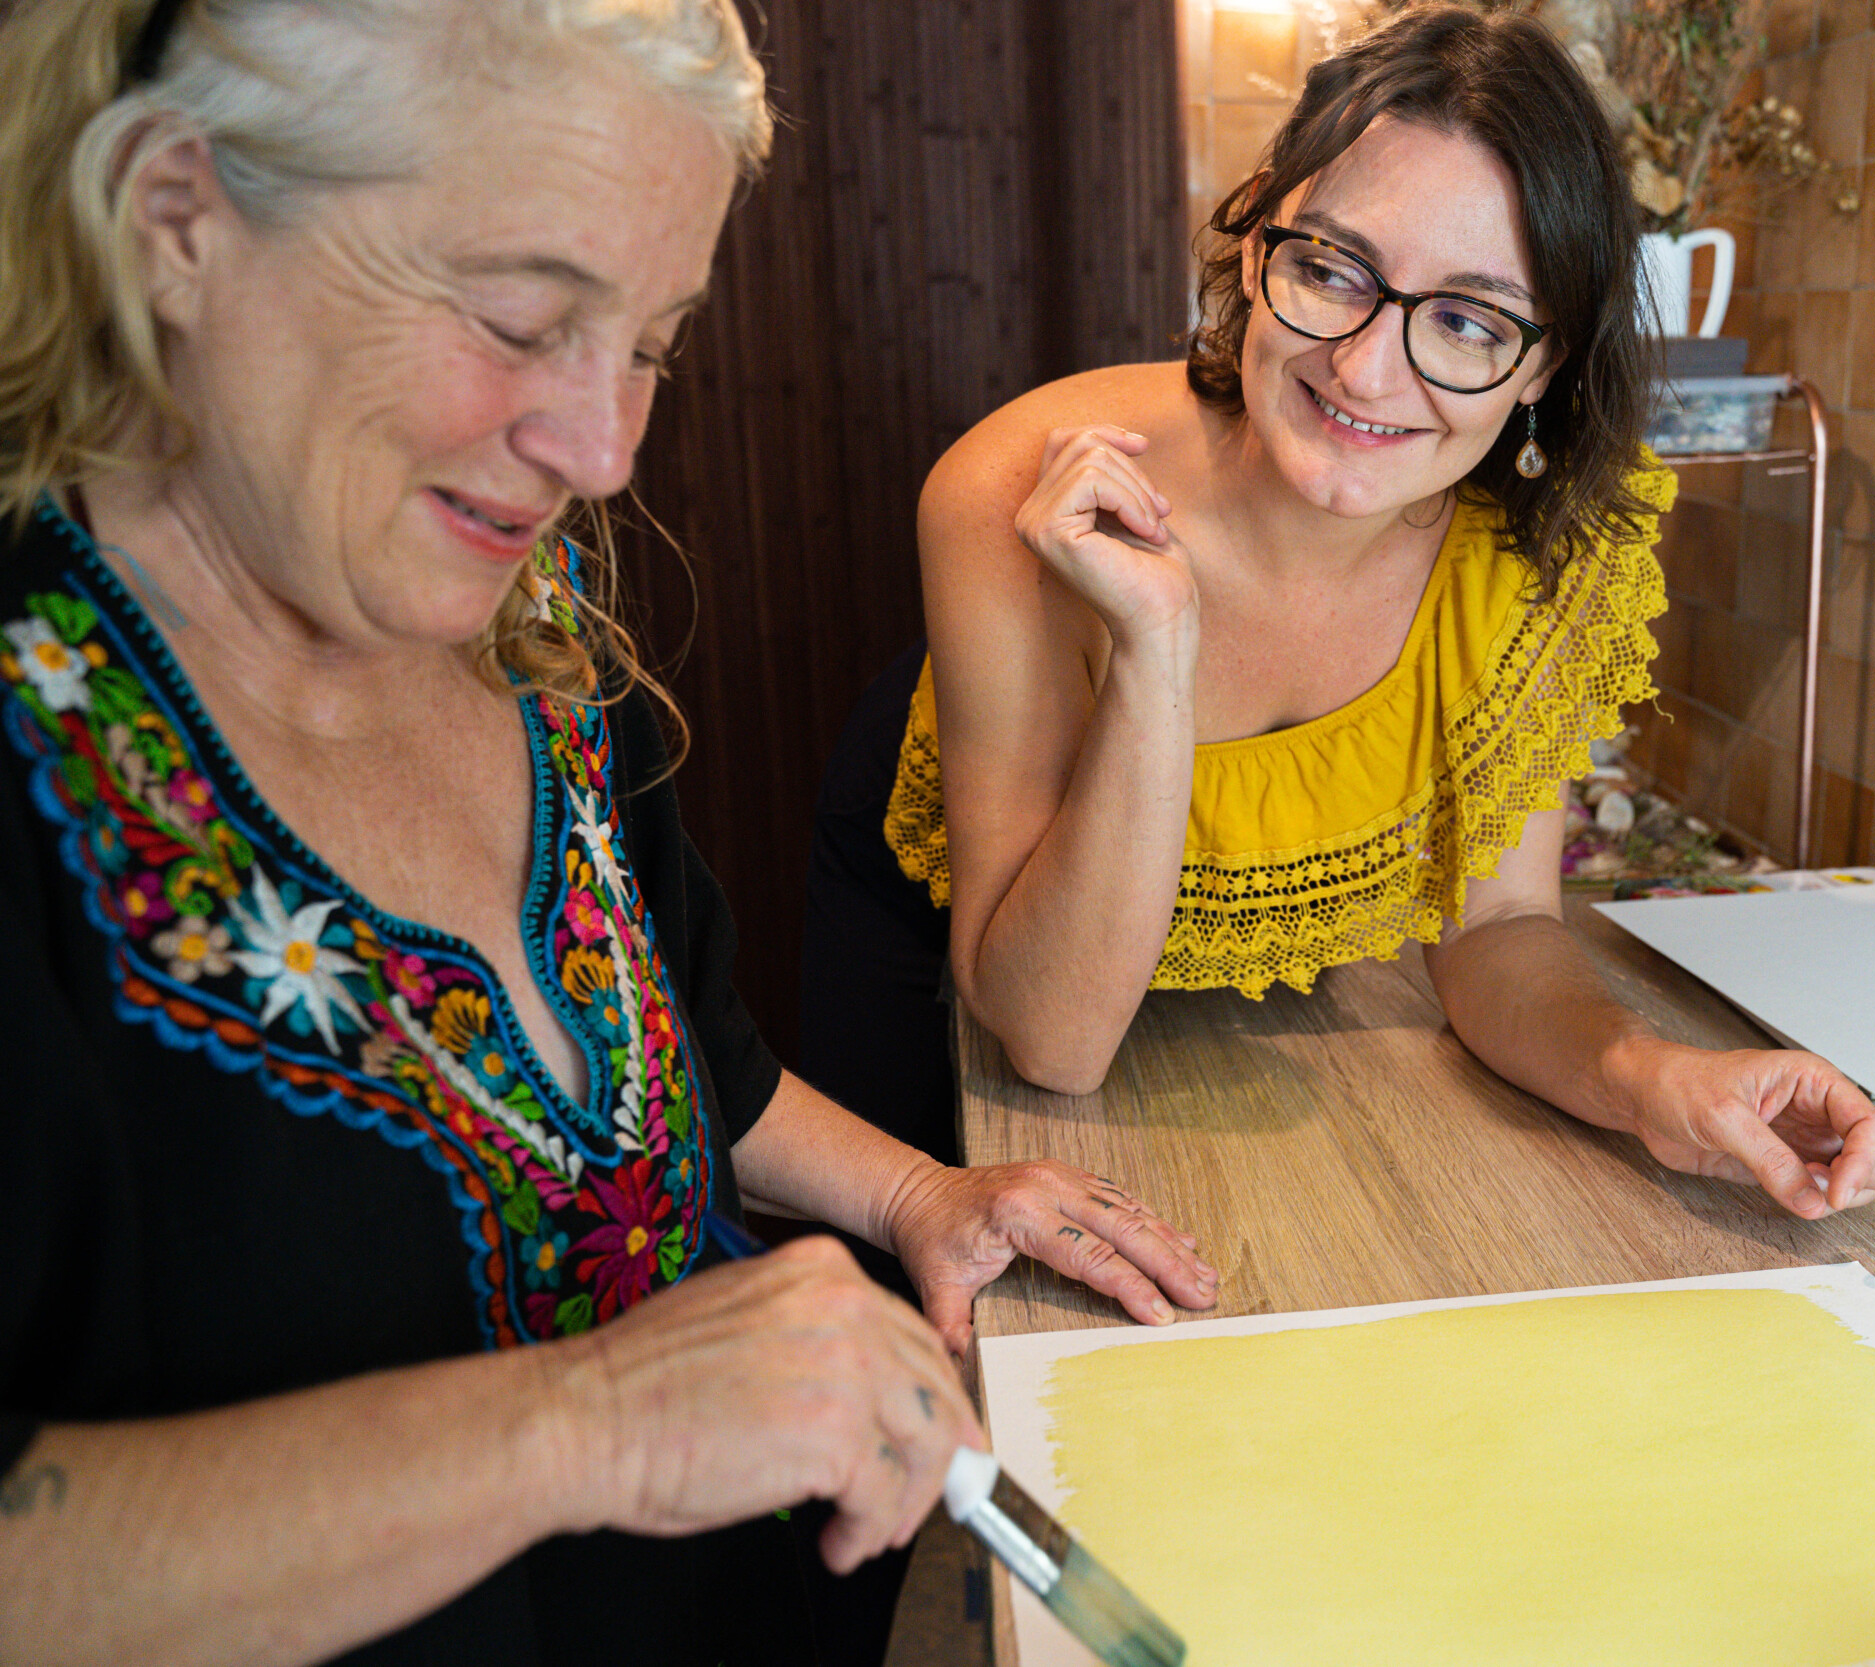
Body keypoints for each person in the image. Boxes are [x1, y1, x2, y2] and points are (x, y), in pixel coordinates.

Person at [0, 2, 1216, 1662]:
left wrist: (919, 1193)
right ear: (179, 219)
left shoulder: (533, 625)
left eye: (652, 339)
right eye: (517, 319)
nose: (601, 449)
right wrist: (596, 1423)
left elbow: (672, 1066)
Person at [803, 4, 1875, 1221]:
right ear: (1252, 252)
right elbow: (1050, 1038)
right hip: (957, 989)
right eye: (1332, 269)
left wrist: (1651, 1075)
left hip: (1233, 1032)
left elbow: (1494, 927)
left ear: (1545, 364)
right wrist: (1154, 653)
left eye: (1467, 318)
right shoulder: (1014, 487)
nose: (1366, 370)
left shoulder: (1533, 554)